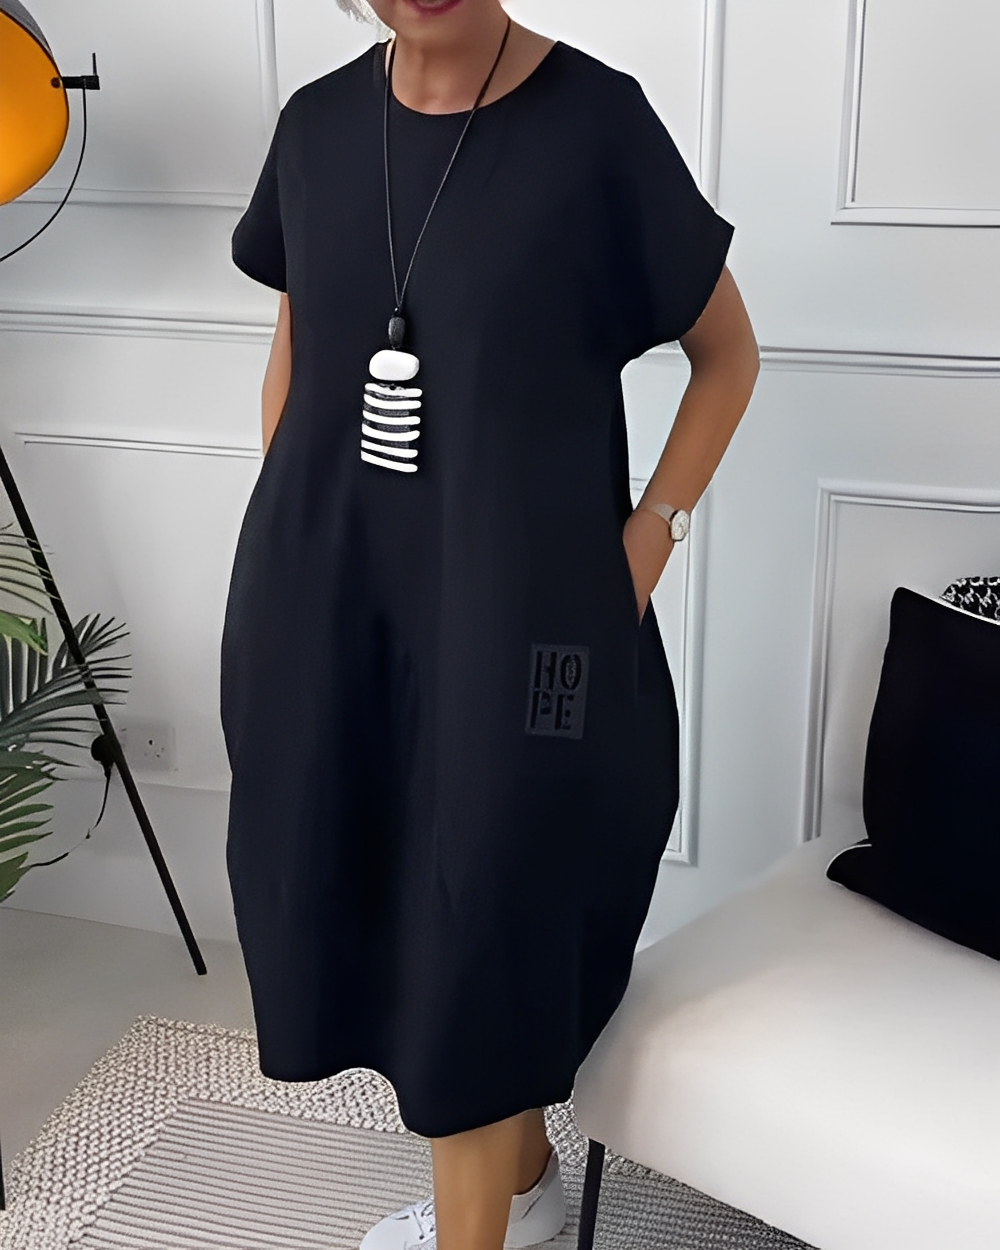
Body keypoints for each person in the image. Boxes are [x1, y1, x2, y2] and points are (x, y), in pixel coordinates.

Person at [219, 1, 759, 1248]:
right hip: (327, 616)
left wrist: (644, 543)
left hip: (525, 628)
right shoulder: (315, 129)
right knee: (375, 902)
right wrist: (294, 540)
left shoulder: (597, 127)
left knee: (479, 925)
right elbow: (300, 343)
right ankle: (522, 1186)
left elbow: (727, 355)